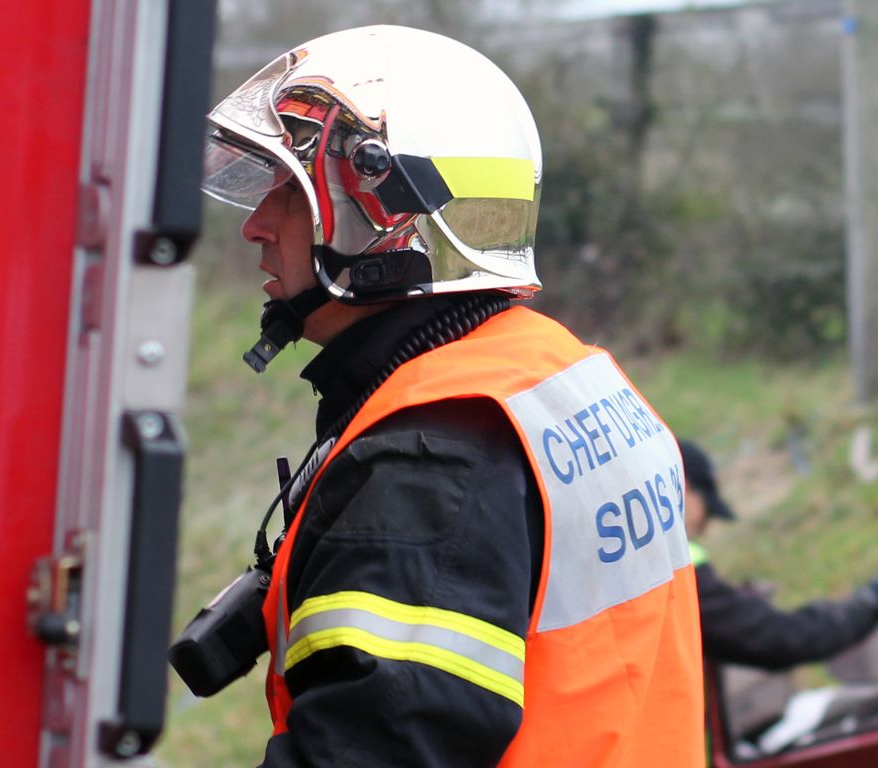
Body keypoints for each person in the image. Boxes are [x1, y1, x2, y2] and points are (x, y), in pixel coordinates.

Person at [194, 25, 703, 767]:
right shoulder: (557, 374)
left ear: (385, 220)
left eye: (289, 194)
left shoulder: (428, 467)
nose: (256, 226)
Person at [680, 439, 878, 669]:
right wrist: (870, 601)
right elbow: (779, 639)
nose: (704, 528)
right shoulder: (680, 576)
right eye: (707, 509)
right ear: (684, 488)